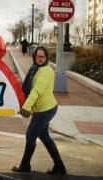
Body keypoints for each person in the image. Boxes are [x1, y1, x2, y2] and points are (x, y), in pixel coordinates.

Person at [12, 46, 67, 175]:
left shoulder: (46, 71)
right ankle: (59, 167)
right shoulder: (35, 69)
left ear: (46, 57)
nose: (40, 59)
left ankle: (25, 165)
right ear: (34, 56)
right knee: (44, 136)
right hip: (43, 109)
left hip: (45, 110)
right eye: (38, 56)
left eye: (43, 56)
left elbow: (37, 91)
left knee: (30, 135)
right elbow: (28, 87)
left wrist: (26, 107)